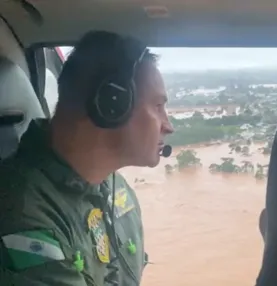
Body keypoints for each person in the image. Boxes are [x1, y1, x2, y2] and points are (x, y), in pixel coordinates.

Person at [0, 30, 174, 285]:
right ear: (112, 104)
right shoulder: (22, 212)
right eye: (158, 107)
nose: (168, 126)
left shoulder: (117, 191)